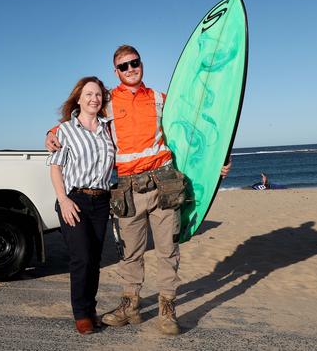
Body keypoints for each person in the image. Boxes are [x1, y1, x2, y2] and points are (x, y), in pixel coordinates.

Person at [46, 45, 231, 336]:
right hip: (127, 189)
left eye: (135, 63)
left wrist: (214, 160)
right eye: (123, 66)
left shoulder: (161, 99)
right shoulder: (106, 105)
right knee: (130, 253)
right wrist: (51, 134)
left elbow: (189, 130)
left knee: (168, 250)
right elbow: (80, 119)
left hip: (163, 183)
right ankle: (130, 306)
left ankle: (167, 309)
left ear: (141, 64)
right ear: (116, 72)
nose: (130, 69)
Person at [47, 76, 115, 335]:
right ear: (78, 98)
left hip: (101, 201)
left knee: (94, 259)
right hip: (74, 200)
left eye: (98, 94)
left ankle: (91, 308)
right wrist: (63, 200)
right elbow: (56, 168)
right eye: (88, 94)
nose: (93, 99)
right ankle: (80, 314)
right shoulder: (64, 130)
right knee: (81, 257)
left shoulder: (108, 129)